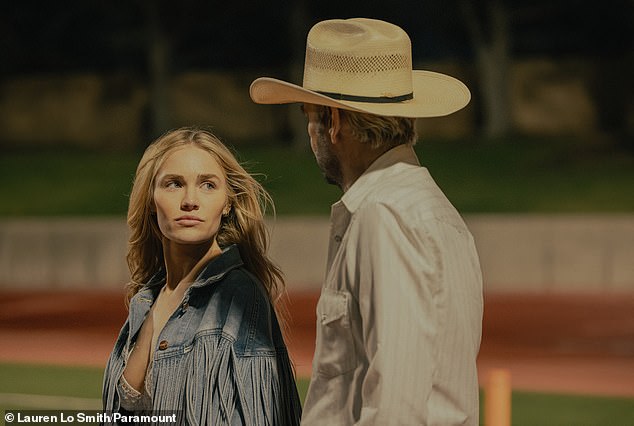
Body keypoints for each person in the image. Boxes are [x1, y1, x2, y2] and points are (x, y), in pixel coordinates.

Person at [250, 18, 483, 425]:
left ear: (333, 122)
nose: (310, 132)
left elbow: (395, 402)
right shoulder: (428, 210)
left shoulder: (384, 214)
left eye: (310, 115)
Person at [102, 128, 302, 425]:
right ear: (150, 201)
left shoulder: (239, 296)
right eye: (173, 184)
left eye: (208, 185)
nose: (190, 200)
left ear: (228, 203)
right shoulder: (145, 302)